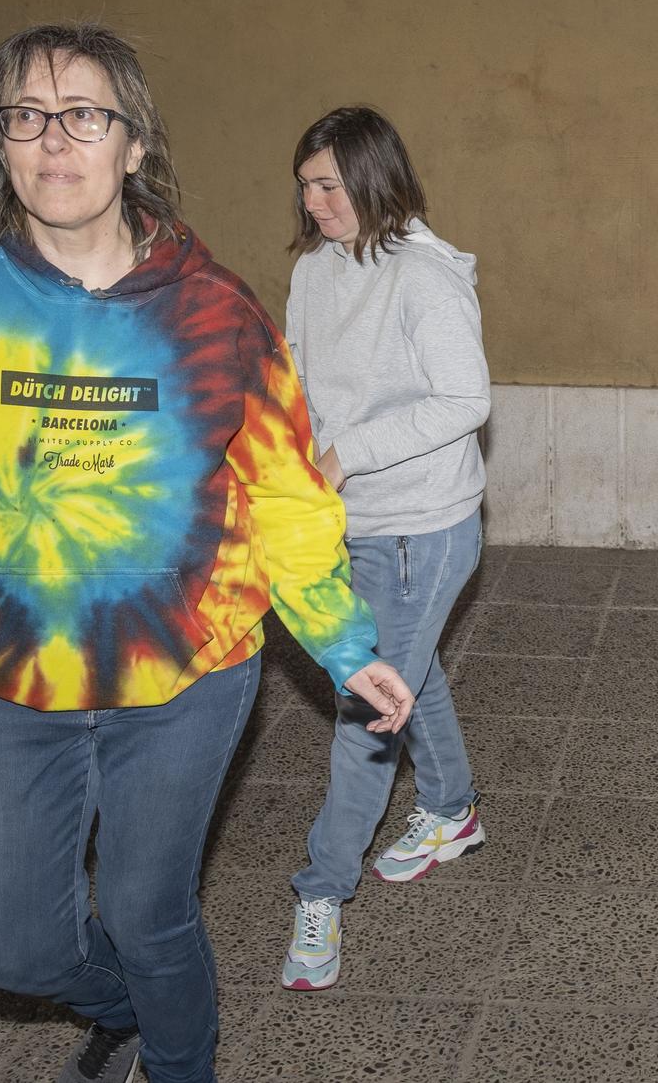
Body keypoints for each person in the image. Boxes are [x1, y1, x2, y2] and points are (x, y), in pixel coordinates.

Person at [0, 24, 414, 1083]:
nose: (55, 142)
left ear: (133, 143)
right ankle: (127, 1008)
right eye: (26, 117)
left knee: (148, 910)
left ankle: (180, 1058)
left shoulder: (214, 310)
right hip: (8, 678)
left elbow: (282, 489)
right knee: (16, 948)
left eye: (84, 115)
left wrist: (337, 633)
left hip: (186, 673)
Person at [278, 107, 491, 992]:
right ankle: (450, 808)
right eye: (305, 187)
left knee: (366, 703)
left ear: (373, 178)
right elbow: (297, 377)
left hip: (423, 525)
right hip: (348, 521)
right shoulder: (311, 271)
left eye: (329, 184)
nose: (315, 201)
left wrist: (344, 454)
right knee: (407, 670)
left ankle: (322, 889)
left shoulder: (425, 278)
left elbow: (464, 399)